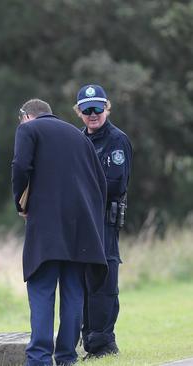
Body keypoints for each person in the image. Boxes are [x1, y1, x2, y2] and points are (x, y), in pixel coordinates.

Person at [12, 99, 109, 366]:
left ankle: (39, 359)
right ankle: (67, 357)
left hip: (46, 227)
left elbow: (20, 166)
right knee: (74, 294)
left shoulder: (28, 130)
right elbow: (100, 181)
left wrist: (21, 202)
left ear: (27, 115)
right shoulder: (79, 137)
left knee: (42, 291)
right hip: (81, 228)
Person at [74, 84, 132, 358]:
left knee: (104, 281)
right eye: (87, 110)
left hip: (104, 221)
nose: (93, 114)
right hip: (81, 222)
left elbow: (115, 183)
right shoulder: (76, 140)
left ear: (107, 107)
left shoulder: (117, 140)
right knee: (83, 282)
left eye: (97, 108)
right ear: (79, 112)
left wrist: (81, 187)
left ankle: (104, 343)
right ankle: (89, 341)